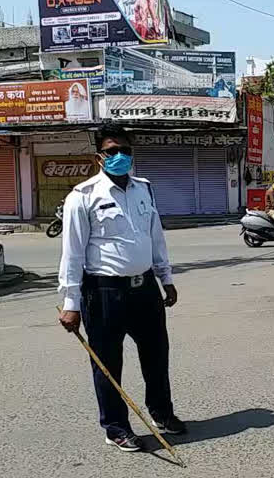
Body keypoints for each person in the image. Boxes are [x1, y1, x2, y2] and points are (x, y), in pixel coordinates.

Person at [57, 132, 185, 452]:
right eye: (111, 150)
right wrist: (70, 303)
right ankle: (115, 427)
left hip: (145, 290)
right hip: (103, 294)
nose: (119, 156)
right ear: (98, 157)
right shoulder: (82, 196)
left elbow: (154, 237)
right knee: (108, 364)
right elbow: (72, 253)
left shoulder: (144, 189)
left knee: (156, 356)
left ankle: (161, 413)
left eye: (125, 150)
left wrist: (165, 278)